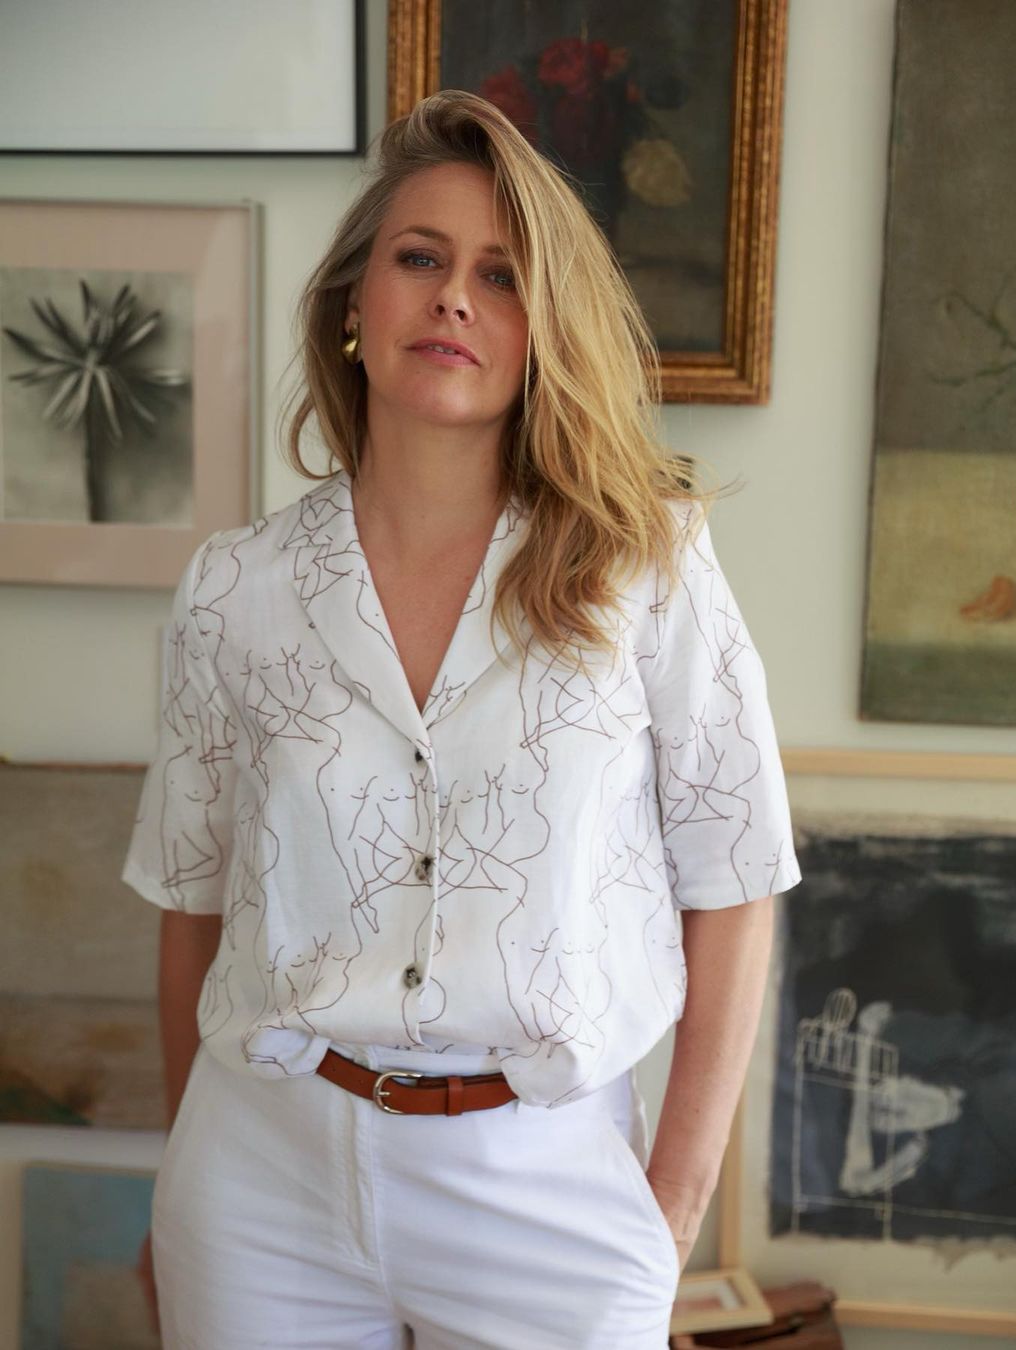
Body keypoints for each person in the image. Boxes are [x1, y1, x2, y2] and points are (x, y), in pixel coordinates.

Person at [123, 89, 802, 1350]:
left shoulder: (646, 569)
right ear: (353, 302)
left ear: (545, 331)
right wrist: (182, 1178)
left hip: (545, 1183)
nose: (452, 300)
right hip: (260, 1177)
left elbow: (739, 881)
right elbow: (191, 902)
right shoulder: (235, 589)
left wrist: (670, 1210)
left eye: (500, 276)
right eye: (419, 259)